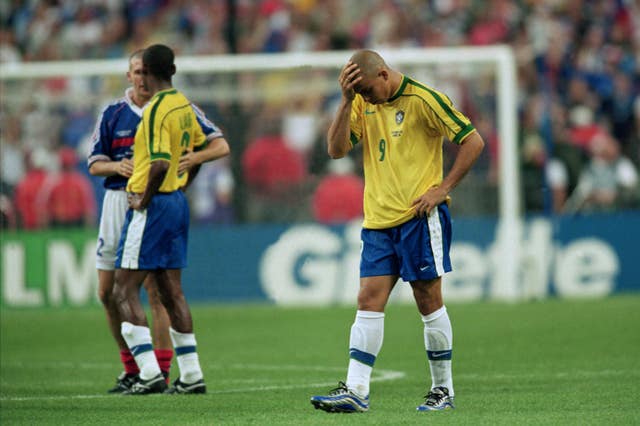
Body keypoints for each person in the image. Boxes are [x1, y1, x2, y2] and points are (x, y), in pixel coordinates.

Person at [310, 50, 485, 413]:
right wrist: (346, 102)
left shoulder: (424, 99)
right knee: (367, 300)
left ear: (384, 75)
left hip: (418, 218)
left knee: (427, 299)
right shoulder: (360, 101)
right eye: (359, 93)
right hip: (377, 222)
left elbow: (473, 141)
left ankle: (443, 391)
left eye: (368, 91)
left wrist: (443, 188)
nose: (367, 98)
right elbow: (336, 150)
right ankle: (357, 391)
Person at [87, 49, 228, 393]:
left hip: (150, 203)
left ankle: (148, 373)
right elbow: (193, 154)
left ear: (146, 72)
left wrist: (143, 200)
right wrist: (181, 184)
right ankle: (191, 375)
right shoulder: (181, 105)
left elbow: (162, 163)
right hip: (175, 202)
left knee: (123, 288)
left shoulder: (154, 112)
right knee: (170, 289)